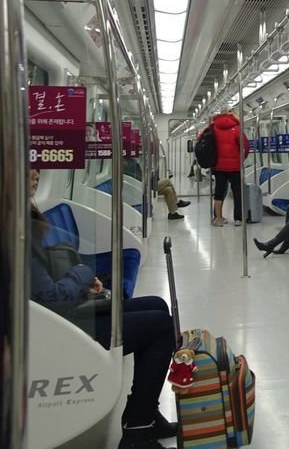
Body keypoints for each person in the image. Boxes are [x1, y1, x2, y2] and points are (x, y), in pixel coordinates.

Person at [24, 169, 178, 448]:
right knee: (161, 327)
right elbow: (50, 297)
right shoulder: (13, 228)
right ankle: (137, 431)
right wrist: (82, 275)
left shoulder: (18, 216)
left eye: (35, 170)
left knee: (157, 304)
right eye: (26, 171)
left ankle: (143, 412)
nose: (35, 173)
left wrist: (80, 279)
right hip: (57, 324)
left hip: (60, 312)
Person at [209, 111, 250, 227]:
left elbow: (202, 140)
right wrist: (242, 158)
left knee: (219, 191)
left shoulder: (213, 127)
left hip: (218, 166)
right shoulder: (236, 128)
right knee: (237, 192)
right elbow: (245, 145)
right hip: (234, 166)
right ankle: (238, 219)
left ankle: (218, 218)